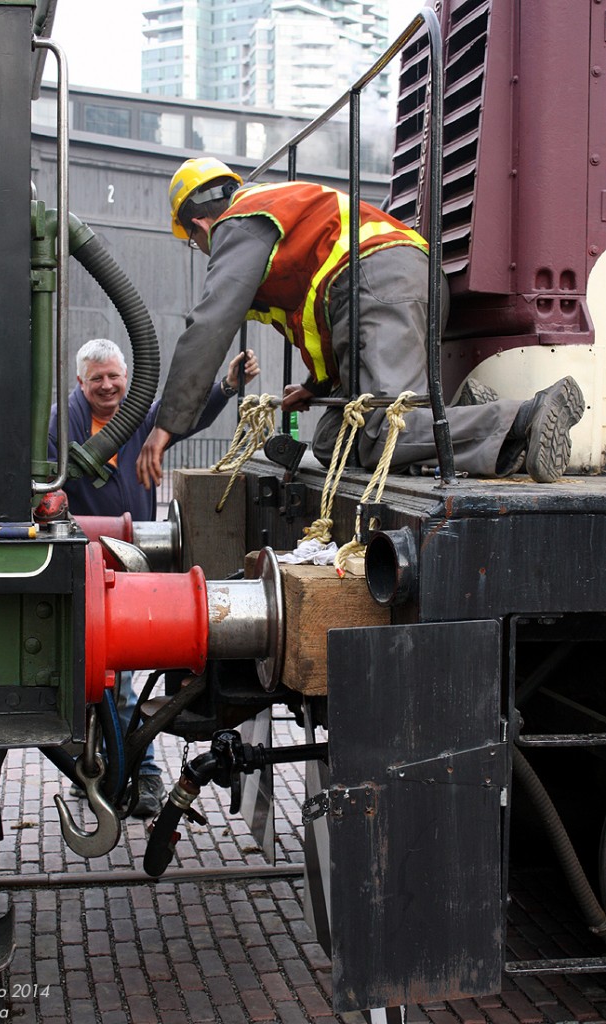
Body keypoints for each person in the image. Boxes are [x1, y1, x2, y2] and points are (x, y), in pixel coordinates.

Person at [135, 156, 585, 491]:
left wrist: (166, 425)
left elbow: (209, 325)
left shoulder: (240, 221)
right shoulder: (275, 227)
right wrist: (318, 384)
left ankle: (526, 416)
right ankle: (469, 416)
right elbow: (320, 318)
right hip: (392, 288)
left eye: (194, 241)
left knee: (377, 436)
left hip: (380, 282)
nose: (202, 247)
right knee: (335, 441)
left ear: (198, 222)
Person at [49, 337, 260, 816]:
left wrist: (227, 386)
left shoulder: (141, 415)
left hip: (132, 566)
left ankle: (126, 771)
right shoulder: (65, 426)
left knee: (118, 682)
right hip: (88, 567)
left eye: (114, 377)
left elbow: (182, 414)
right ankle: (132, 774)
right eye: (97, 378)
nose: (107, 386)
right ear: (81, 382)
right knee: (110, 684)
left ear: (127, 377)